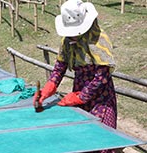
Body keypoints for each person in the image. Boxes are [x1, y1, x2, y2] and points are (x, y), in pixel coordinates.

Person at [33, 0, 117, 152]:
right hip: (79, 90)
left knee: (101, 142)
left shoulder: (99, 39)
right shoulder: (67, 41)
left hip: (101, 97)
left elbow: (102, 76)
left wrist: (81, 96)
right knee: (82, 139)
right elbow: (60, 66)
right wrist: (49, 87)